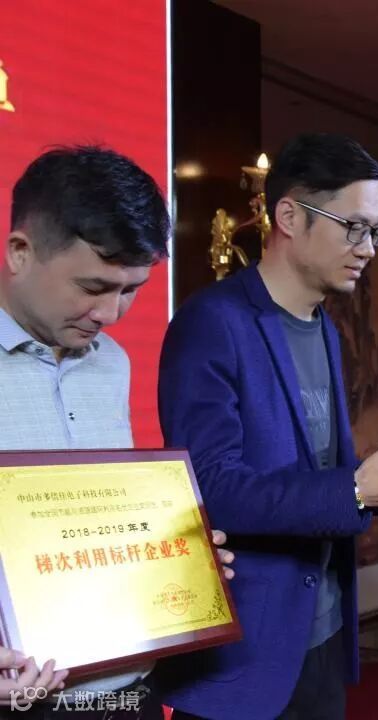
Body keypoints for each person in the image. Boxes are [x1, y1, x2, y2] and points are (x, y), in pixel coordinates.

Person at [155, 132, 378, 720]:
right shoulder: (213, 323)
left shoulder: (324, 326)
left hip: (323, 630)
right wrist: (356, 488)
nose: (368, 249)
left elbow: (316, 472)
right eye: (354, 227)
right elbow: (210, 489)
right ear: (288, 216)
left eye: (376, 231)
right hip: (247, 650)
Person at [0, 145, 234, 719]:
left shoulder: (112, 363)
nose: (110, 314)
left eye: (130, 290)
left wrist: (174, 554)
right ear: (20, 252)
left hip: (125, 685)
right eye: (93, 287)